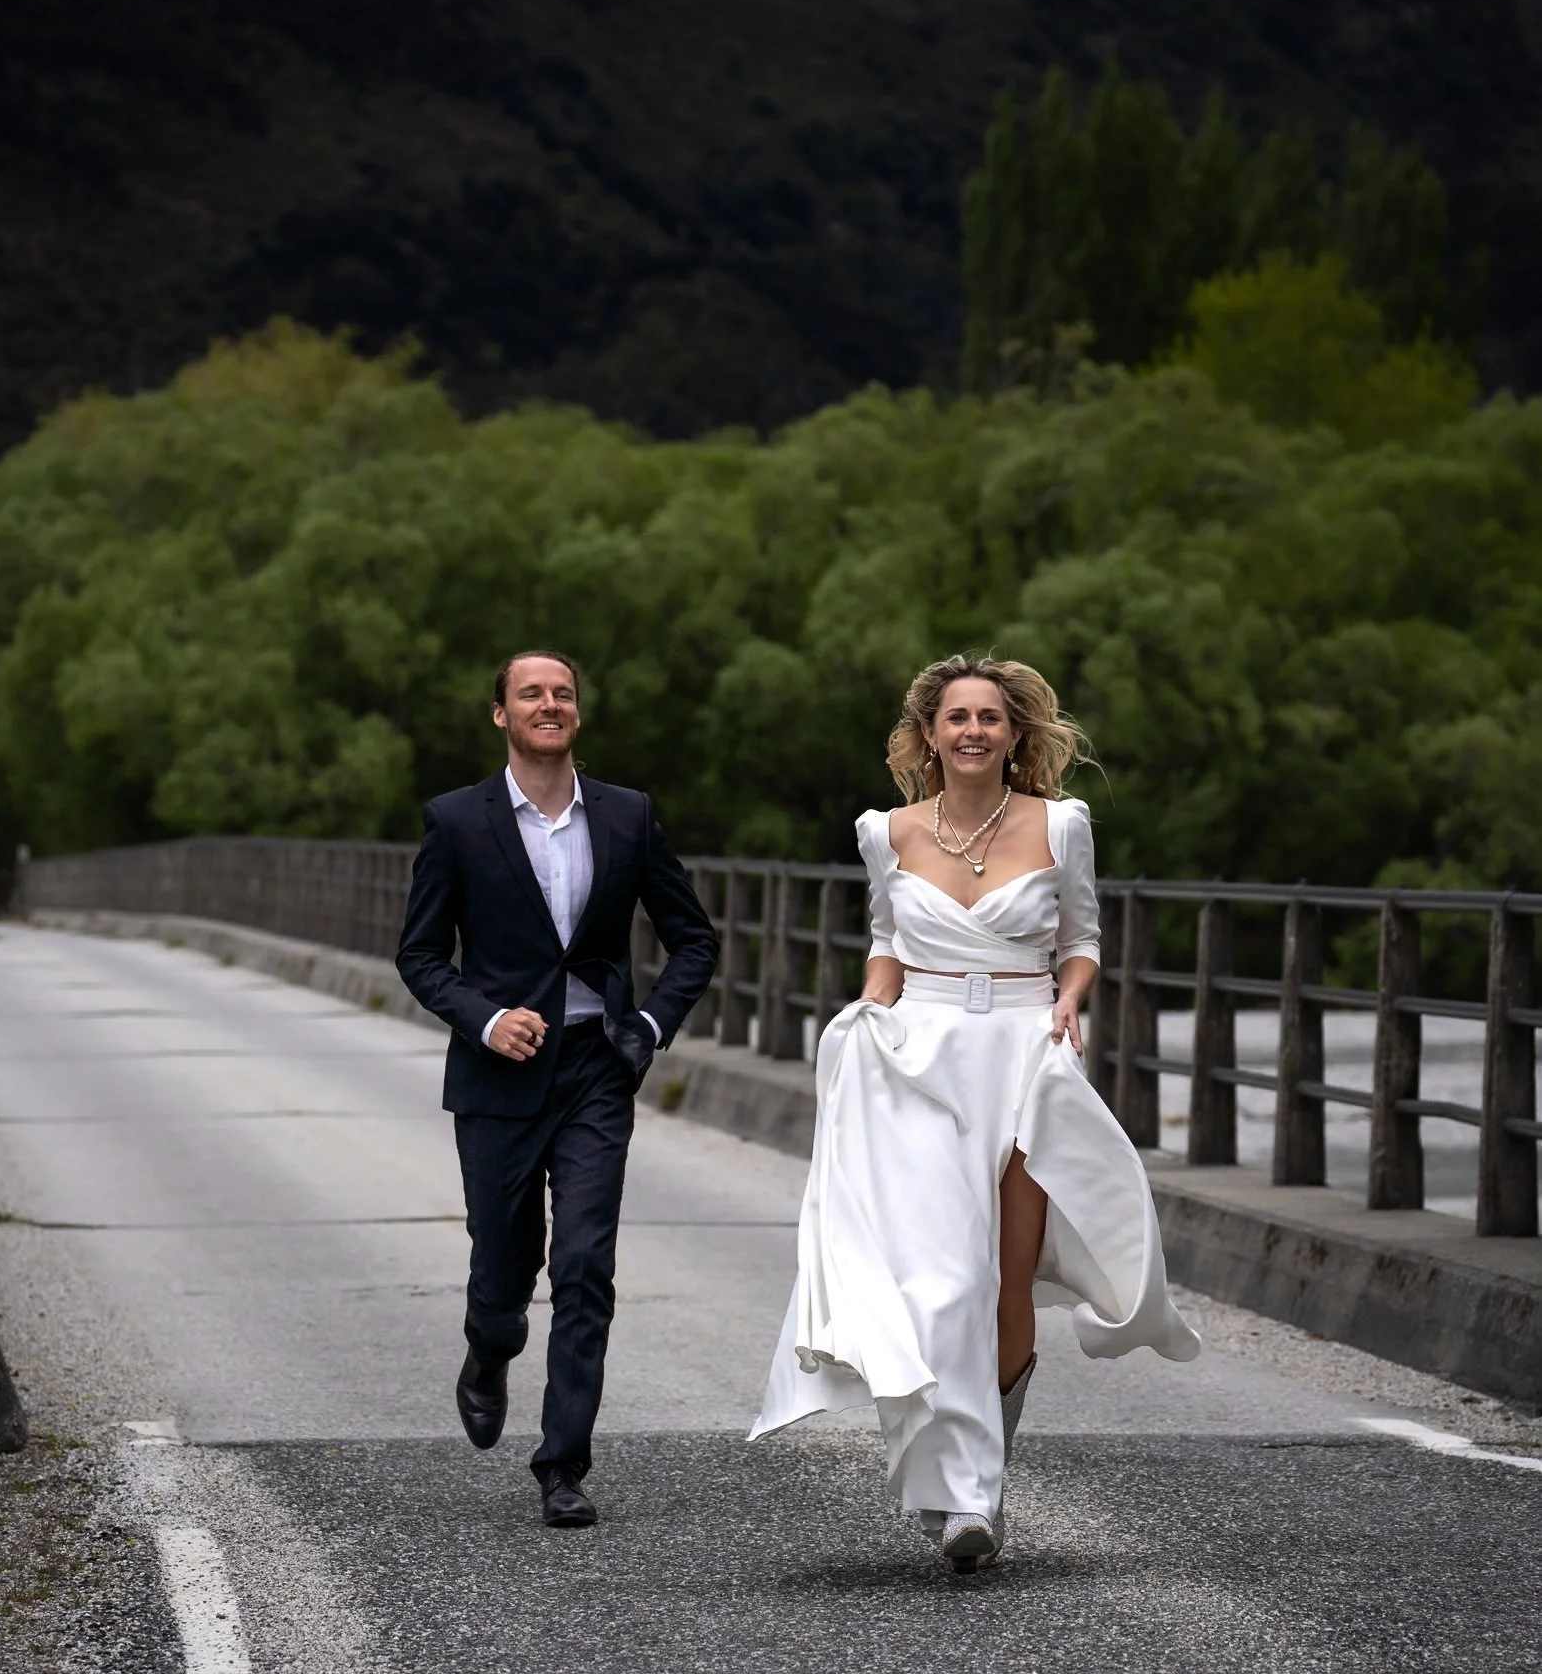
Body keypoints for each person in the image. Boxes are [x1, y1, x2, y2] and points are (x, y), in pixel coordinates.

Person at [751, 653, 1199, 1570]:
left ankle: (978, 1492)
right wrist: (868, 1008)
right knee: (941, 1278)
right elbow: (887, 943)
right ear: (927, 735)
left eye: (989, 718)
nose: (972, 731)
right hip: (919, 1058)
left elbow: (1079, 941)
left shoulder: (1060, 825)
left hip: (1024, 1056)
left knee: (1003, 1275)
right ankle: (957, 1490)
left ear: (1014, 734)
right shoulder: (887, 833)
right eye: (955, 717)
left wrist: (1070, 1001)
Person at [396, 651, 719, 1528]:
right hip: (498, 1074)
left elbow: (693, 939)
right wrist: (485, 1017)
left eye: (563, 693)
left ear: (578, 711)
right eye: (530, 693)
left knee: (583, 1265)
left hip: (594, 1068)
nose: (550, 704)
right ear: (499, 713)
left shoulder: (627, 816)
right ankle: (487, 1347)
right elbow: (420, 955)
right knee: (506, 1264)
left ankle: (562, 1464)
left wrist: (647, 1029)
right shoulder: (457, 822)